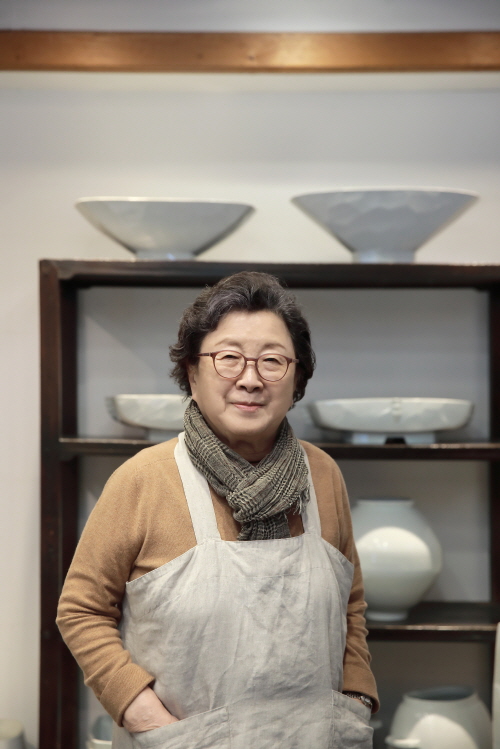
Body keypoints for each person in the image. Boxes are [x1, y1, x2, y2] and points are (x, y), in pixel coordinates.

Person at [57, 271, 378, 749]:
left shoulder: (323, 475)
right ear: (192, 372)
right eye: (228, 358)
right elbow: (81, 611)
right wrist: (145, 716)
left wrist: (357, 695)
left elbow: (349, 601)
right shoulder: (143, 479)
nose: (250, 379)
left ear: (297, 378)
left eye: (272, 361)